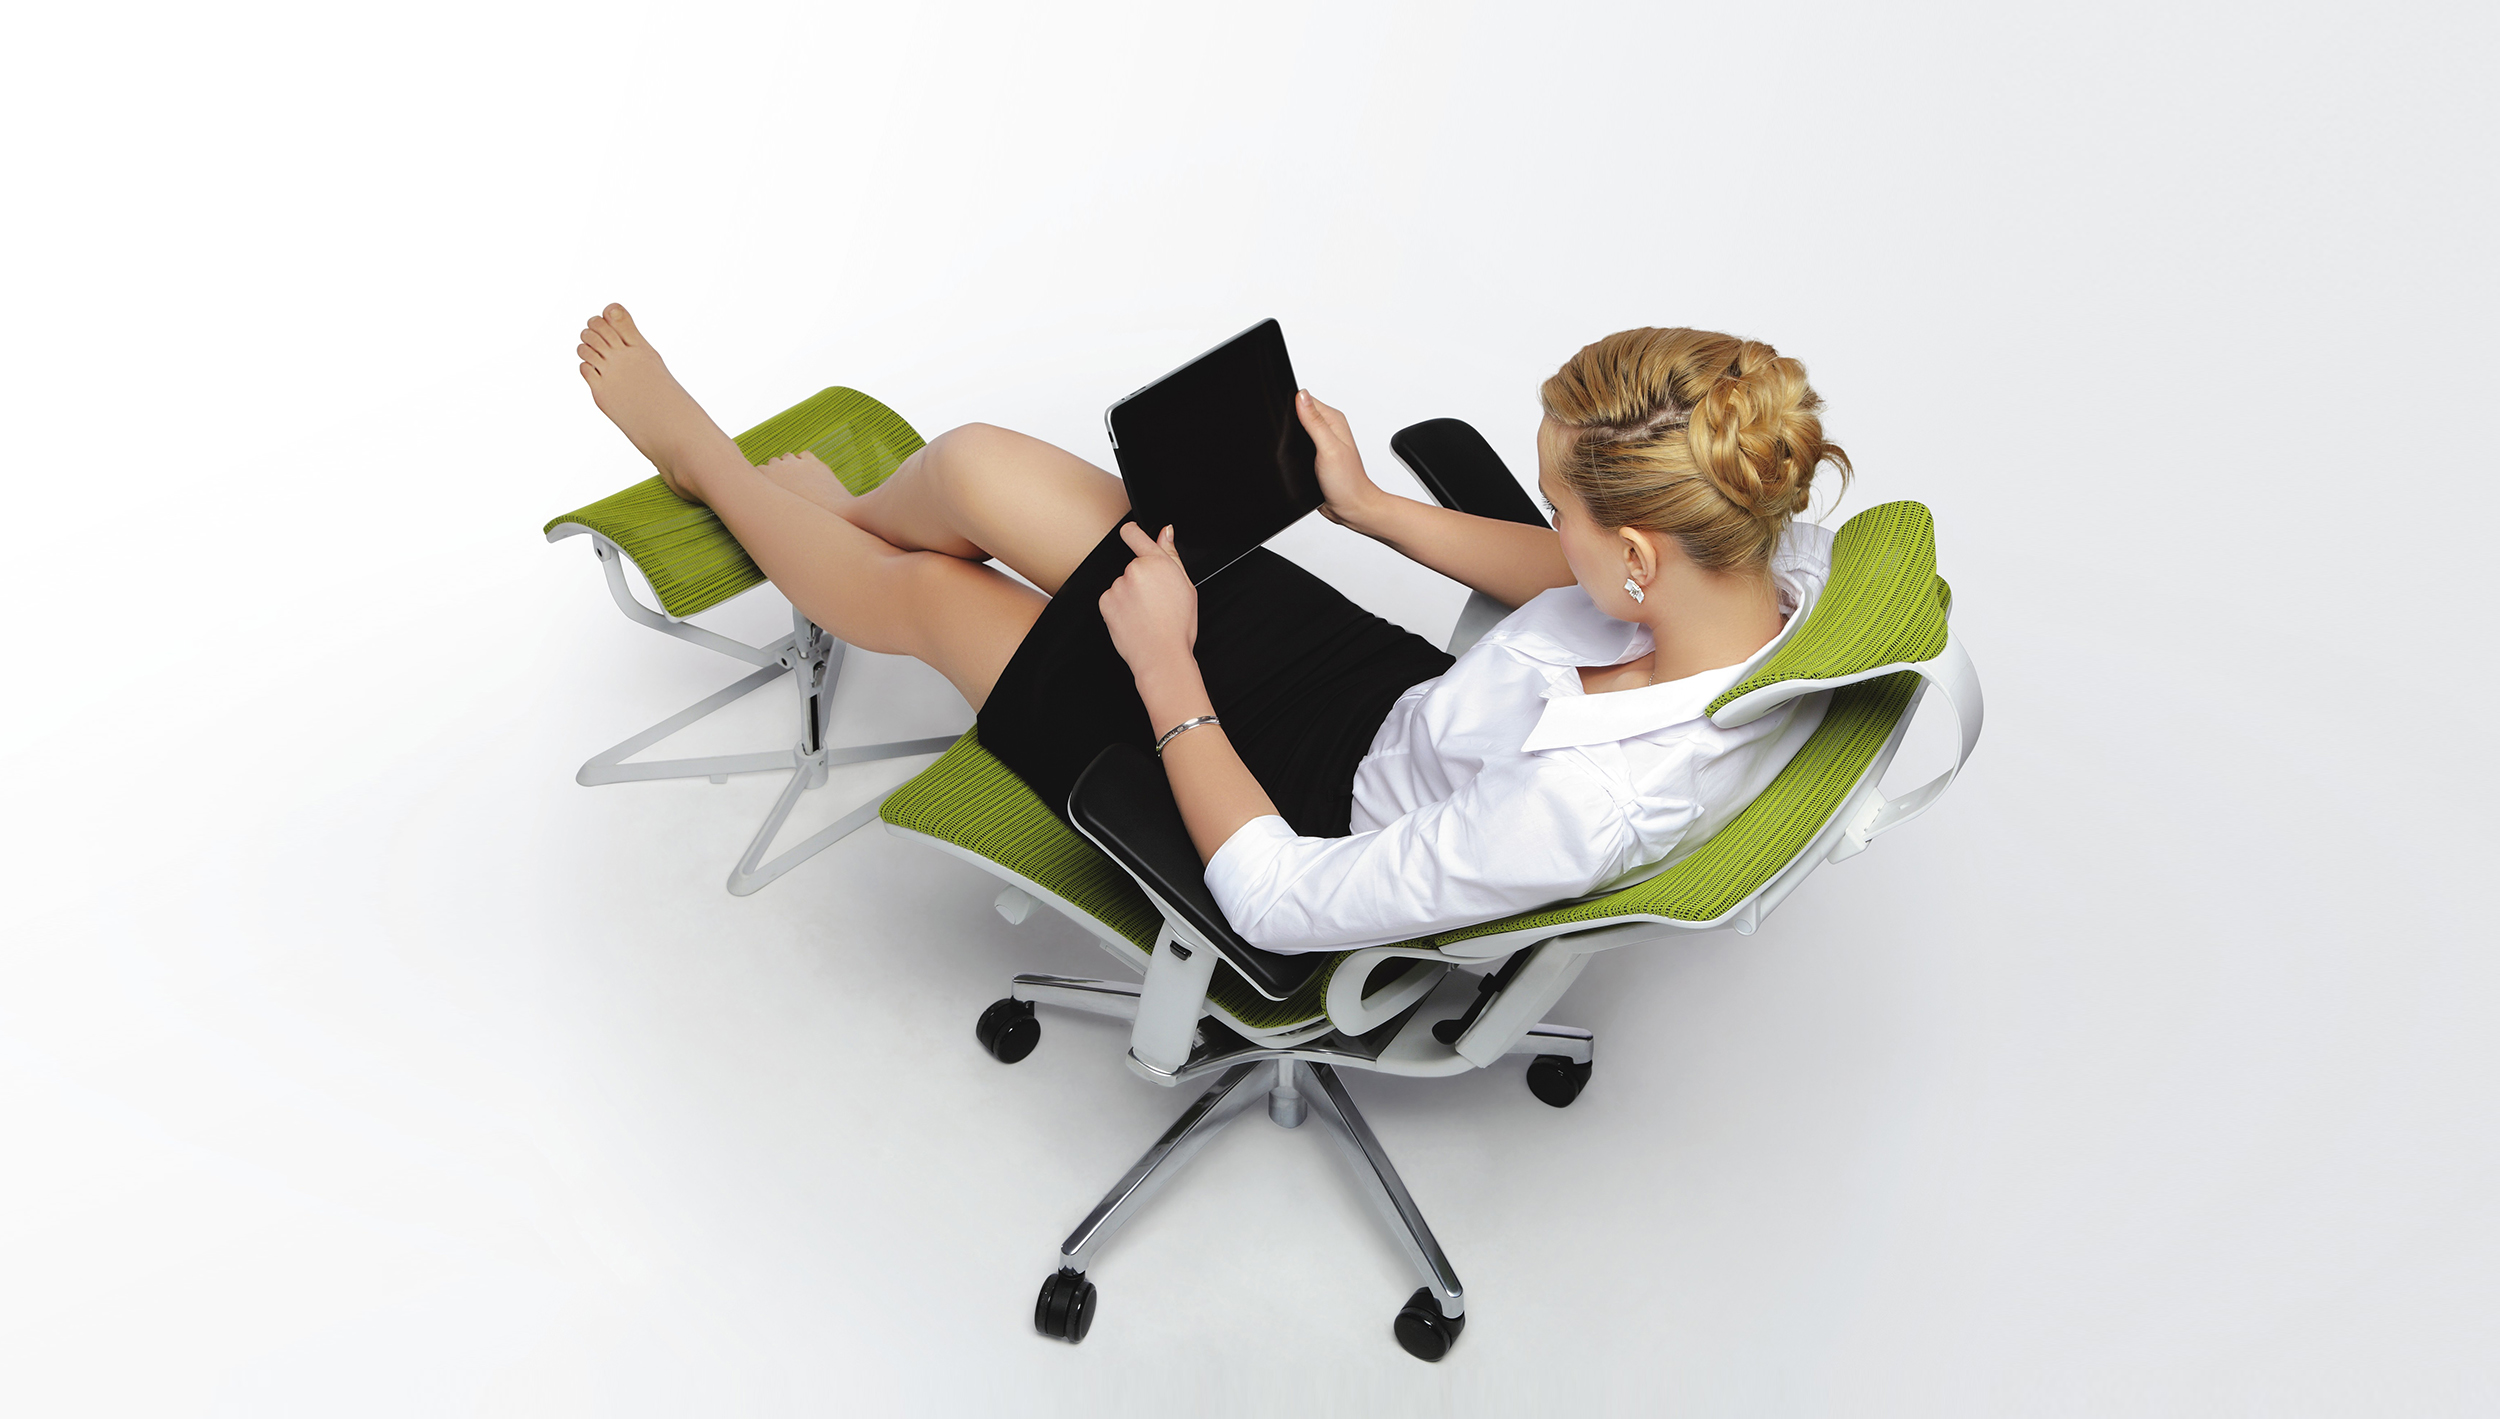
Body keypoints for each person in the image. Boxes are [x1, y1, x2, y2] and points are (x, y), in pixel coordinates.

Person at [573, 307, 1848, 955]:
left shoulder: (1582, 807)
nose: (1545, 525)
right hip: (1379, 696)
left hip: (1288, 805)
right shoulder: (1761, 559)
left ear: (1635, 555)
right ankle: (845, 516)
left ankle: (706, 463)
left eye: (1558, 505)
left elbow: (1280, 903)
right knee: (970, 466)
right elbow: (1566, 583)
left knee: (930, 598)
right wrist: (1365, 507)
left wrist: (1166, 665)